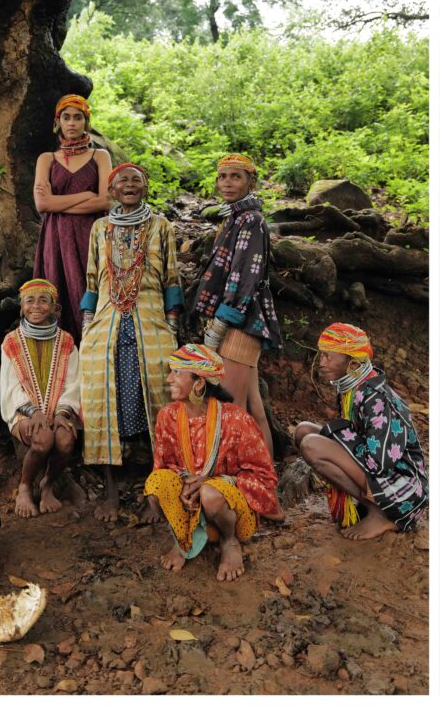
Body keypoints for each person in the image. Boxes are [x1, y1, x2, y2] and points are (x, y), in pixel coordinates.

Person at [79, 162, 184, 521]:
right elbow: (92, 279)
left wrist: (171, 325)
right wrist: (86, 326)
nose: (128, 185)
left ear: (145, 188)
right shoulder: (100, 228)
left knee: (156, 399)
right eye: (121, 180)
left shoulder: (161, 226)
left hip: (151, 325)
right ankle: (110, 491)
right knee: (104, 402)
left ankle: (155, 490)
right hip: (107, 326)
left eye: (135, 180)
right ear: (111, 190)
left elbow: (172, 277)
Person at [144, 344, 280, 582]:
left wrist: (212, 482)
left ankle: (229, 542)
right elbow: (163, 467)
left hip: (225, 509)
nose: (168, 379)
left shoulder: (236, 419)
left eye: (177, 373)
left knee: (210, 494)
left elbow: (264, 477)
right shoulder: (168, 415)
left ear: (198, 383)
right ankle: (182, 538)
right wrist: (187, 482)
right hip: (189, 503)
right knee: (155, 486)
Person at [295, 322, 428, 540]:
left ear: (352, 363)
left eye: (329, 357)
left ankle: (381, 513)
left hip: (405, 491)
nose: (321, 363)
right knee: (303, 431)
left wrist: (335, 445)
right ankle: (368, 503)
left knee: (311, 444)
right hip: (377, 470)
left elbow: (380, 461)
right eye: (322, 356)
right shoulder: (353, 388)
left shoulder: (376, 397)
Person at [192, 153, 282, 458]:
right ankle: (264, 477)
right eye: (222, 176)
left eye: (236, 176)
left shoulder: (252, 221)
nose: (227, 183)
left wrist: (221, 321)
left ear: (251, 181)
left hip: (243, 319)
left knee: (233, 408)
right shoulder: (234, 217)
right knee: (253, 407)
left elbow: (246, 275)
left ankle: (244, 481)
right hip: (238, 319)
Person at [33, 94, 112, 344]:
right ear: (58, 122)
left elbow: (106, 201)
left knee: (91, 287)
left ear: (86, 122)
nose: (72, 123)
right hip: (55, 237)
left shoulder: (100, 156)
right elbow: (42, 204)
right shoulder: (47, 159)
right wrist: (87, 195)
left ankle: (95, 348)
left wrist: (59, 203)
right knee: (59, 286)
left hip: (93, 233)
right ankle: (62, 351)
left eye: (78, 118)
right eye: (66, 117)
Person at [0, 279, 81, 518]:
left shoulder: (66, 342)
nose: (36, 306)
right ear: (21, 307)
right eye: (30, 300)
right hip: (23, 412)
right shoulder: (11, 342)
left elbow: (73, 382)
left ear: (54, 307)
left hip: (59, 410)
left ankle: (47, 484)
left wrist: (62, 413)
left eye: (43, 300)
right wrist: (33, 412)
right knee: (43, 439)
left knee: (65, 440)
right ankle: (25, 487)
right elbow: (10, 385)